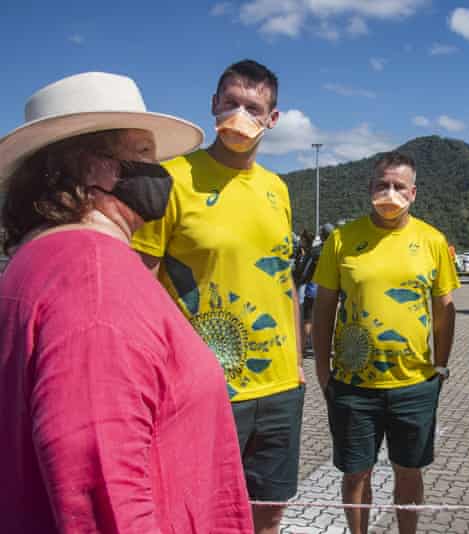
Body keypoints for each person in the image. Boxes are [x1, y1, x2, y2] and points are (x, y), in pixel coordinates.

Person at [0, 71, 252, 532]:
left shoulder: (41, 259)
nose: (158, 174)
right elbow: (98, 482)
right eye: (141, 155)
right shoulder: (94, 279)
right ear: (83, 166)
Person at [131, 59, 303, 534]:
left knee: (268, 513)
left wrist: (297, 364)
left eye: (254, 107)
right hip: (202, 388)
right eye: (230, 103)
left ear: (272, 119)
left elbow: (282, 277)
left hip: (279, 388)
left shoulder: (278, 189)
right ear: (212, 105)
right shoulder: (169, 180)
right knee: (197, 514)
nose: (239, 115)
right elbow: (140, 285)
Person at [312, 152, 459, 534]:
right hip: (352, 386)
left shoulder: (432, 241)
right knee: (355, 474)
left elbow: (445, 310)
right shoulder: (342, 240)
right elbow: (325, 307)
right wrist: (323, 371)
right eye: (382, 185)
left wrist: (440, 368)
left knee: (409, 473)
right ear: (369, 188)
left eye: (398, 186)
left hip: (414, 386)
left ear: (413, 193)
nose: (389, 193)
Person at [298, 223, 334, 356]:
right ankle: (327, 347)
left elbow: (305, 269)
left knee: (308, 319)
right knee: (327, 320)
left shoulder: (315, 251)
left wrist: (301, 280)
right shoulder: (336, 251)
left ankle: (302, 348)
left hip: (313, 289)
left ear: (322, 235)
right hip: (330, 290)